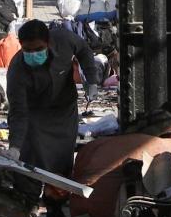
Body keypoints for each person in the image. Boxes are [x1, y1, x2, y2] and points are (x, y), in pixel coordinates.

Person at [6, 20, 102, 201]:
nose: (33, 55)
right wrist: (15, 147)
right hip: (35, 115)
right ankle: (28, 201)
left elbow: (84, 50)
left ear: (48, 42)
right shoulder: (17, 70)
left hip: (64, 112)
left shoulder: (64, 39)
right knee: (29, 159)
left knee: (62, 159)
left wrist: (91, 79)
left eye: (38, 49)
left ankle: (55, 203)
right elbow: (18, 112)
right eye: (27, 50)